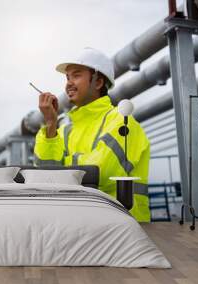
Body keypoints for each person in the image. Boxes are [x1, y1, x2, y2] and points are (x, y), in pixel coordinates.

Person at [34, 47, 150, 222]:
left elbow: (98, 175)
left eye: (76, 75)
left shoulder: (122, 122)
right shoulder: (64, 130)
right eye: (67, 77)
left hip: (123, 228)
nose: (68, 83)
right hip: (79, 225)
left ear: (98, 82)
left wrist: (62, 169)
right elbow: (44, 174)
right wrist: (51, 123)